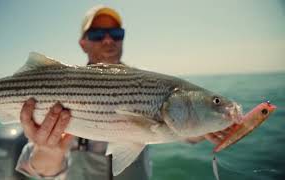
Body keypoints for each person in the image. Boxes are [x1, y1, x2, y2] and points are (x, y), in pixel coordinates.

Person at [15, 5, 231, 180]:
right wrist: (48, 152)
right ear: (83, 43)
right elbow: (37, 168)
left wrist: (206, 125)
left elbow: (186, 134)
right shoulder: (56, 87)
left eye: (116, 33)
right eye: (97, 34)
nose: (108, 40)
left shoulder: (152, 85)